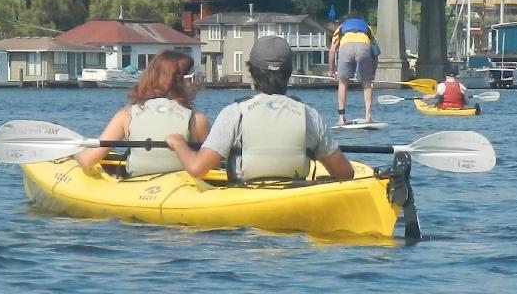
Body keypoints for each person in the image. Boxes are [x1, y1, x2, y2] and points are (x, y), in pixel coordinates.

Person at [167, 34, 355, 183]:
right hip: (295, 197)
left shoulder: (234, 113)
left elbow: (197, 169)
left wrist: (178, 144)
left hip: (246, 202)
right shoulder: (309, 115)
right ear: (289, 72)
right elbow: (345, 174)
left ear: (252, 72)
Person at [77, 49, 211, 175]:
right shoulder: (197, 120)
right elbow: (211, 167)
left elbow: (87, 160)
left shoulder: (125, 116)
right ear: (179, 81)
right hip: (184, 188)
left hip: (137, 187)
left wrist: (73, 155)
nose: (196, 85)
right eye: (194, 78)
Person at [328, 14, 379, 125]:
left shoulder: (341, 28)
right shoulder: (367, 27)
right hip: (363, 47)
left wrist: (331, 71)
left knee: (343, 83)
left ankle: (341, 118)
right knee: (366, 83)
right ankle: (368, 116)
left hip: (346, 47)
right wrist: (372, 74)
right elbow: (375, 53)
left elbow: (332, 51)